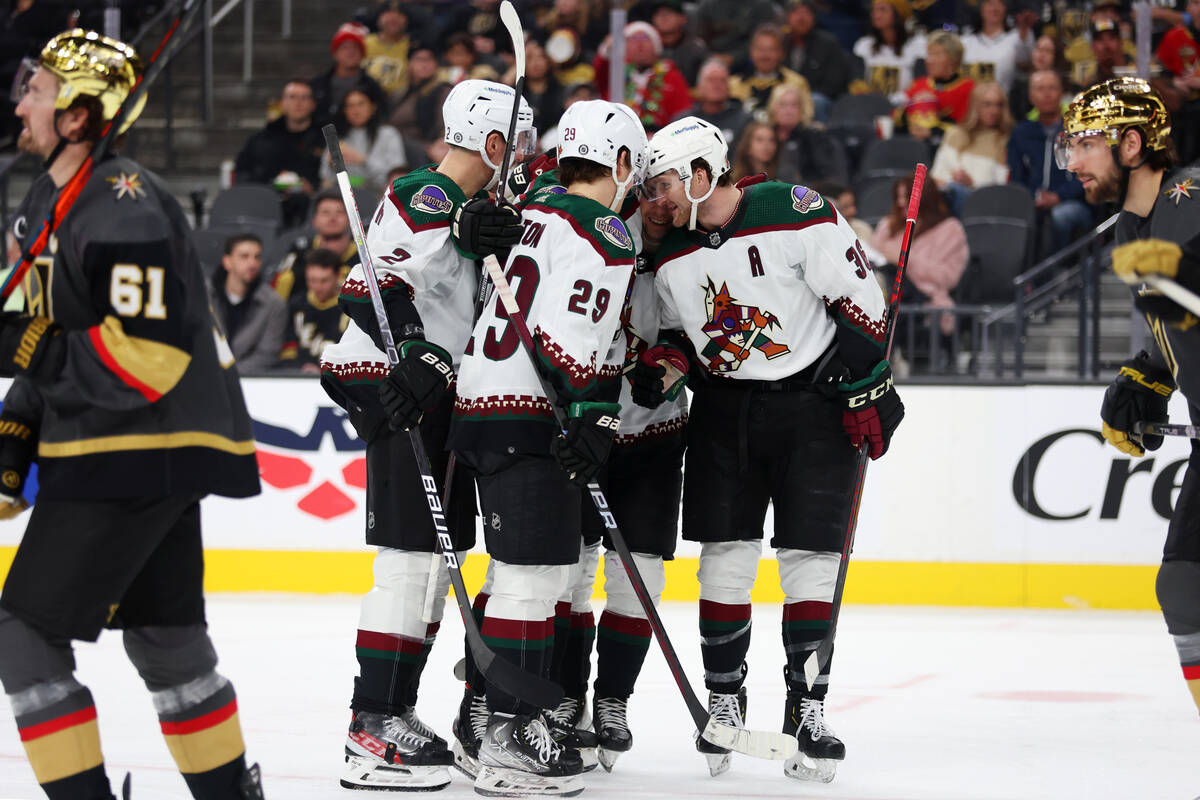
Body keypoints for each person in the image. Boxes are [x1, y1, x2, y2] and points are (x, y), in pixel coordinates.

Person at [0, 28, 264, 799]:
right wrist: (16, 435)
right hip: (141, 449)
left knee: (21, 632)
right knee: (166, 639)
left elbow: (143, 358)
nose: (22, 101)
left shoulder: (125, 201)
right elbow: (35, 345)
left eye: (39, 91)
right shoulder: (46, 202)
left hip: (135, 446)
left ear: (80, 117)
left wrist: (29, 348)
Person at [633, 116, 903, 783]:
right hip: (725, 410)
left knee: (811, 562)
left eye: (664, 183)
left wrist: (867, 383)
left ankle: (807, 708)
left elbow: (862, 306)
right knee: (723, 562)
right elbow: (674, 334)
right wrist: (659, 369)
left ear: (702, 174)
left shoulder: (792, 209)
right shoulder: (665, 249)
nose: (655, 199)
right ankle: (724, 700)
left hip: (812, 406)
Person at [319, 78, 534, 791]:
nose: (528, 155)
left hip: (435, 388)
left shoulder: (471, 208)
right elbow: (367, 286)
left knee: (436, 565)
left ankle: (396, 712)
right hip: (396, 381)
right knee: (411, 561)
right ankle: (371, 722)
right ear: (495, 142)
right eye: (521, 141)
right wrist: (413, 347)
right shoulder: (427, 193)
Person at [448, 99, 646, 797]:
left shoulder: (531, 211)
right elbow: (569, 340)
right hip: (530, 414)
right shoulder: (604, 228)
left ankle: (479, 723)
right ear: (621, 163)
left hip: (476, 405)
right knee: (534, 583)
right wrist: (596, 414)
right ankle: (509, 738)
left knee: (516, 577)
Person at [1058, 76, 1200, 719]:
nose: (1073, 162)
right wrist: (1149, 377)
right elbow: (1180, 325)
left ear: (1133, 144)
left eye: (1084, 143)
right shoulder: (1130, 232)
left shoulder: (1194, 200)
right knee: (1184, 587)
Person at [870, 175, 967, 340]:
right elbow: (873, 256)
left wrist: (907, 261)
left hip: (924, 304)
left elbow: (948, 277)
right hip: (884, 297)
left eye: (906, 197)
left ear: (925, 198)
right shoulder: (887, 225)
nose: (901, 202)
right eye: (898, 197)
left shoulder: (951, 230)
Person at [1007, 69, 1092, 254]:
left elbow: (1089, 175)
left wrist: (1058, 196)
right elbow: (1017, 177)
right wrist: (1031, 198)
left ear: (1061, 93)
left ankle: (1055, 276)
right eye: (1039, 89)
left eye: (1052, 88)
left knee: (1060, 217)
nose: (1046, 94)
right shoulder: (1021, 133)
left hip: (1073, 203)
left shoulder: (1079, 131)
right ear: (1031, 96)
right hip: (1032, 202)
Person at [233, 78, 325, 229]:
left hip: (311, 207)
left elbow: (334, 175)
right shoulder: (262, 138)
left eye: (304, 97)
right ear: (283, 103)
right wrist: (270, 187)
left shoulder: (325, 138)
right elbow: (242, 173)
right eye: (292, 97)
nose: (298, 103)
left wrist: (314, 188)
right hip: (265, 205)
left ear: (313, 104)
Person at [930, 80, 1014, 215]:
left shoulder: (1006, 140)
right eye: (987, 105)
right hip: (947, 196)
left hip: (983, 204)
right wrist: (953, 182)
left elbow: (1001, 187)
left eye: (998, 105)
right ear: (975, 106)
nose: (994, 111)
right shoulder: (955, 134)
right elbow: (937, 175)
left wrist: (971, 184)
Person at [209, 233, 287, 374]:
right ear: (227, 261)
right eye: (244, 256)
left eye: (257, 257)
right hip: (207, 375)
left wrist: (230, 375)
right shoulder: (206, 296)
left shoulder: (274, 304)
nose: (252, 264)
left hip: (250, 380)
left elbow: (267, 354)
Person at [593, 21, 692, 133]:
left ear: (656, 47)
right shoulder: (616, 75)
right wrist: (609, 47)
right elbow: (599, 71)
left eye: (645, 38)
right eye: (633, 39)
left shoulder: (672, 76)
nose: (639, 44)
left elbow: (683, 114)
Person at [318, 84, 406, 198]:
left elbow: (398, 178)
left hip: (380, 196)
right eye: (350, 106)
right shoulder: (338, 137)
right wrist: (331, 164)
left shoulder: (389, 135)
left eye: (361, 104)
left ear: (373, 107)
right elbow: (325, 178)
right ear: (344, 111)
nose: (356, 110)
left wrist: (363, 160)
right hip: (344, 198)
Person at [272, 187, 357, 303]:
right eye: (325, 212)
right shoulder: (300, 253)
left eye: (339, 212)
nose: (332, 218)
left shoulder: (362, 257)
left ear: (349, 219)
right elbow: (279, 296)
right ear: (314, 220)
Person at [897, 31, 976, 145]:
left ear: (953, 60)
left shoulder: (969, 89)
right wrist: (910, 110)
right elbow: (896, 121)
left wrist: (933, 131)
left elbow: (968, 130)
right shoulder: (919, 85)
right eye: (929, 54)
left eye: (937, 54)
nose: (929, 60)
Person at [280, 248, 349, 373]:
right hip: (298, 377)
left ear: (338, 275)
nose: (317, 287)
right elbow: (288, 350)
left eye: (324, 281)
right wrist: (299, 369)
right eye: (312, 280)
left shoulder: (350, 308)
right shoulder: (297, 305)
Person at [783, 0, 852, 123]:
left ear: (814, 18)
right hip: (784, 97)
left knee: (816, 101)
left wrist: (802, 98)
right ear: (788, 17)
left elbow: (834, 85)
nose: (801, 18)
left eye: (806, 13)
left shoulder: (828, 44)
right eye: (796, 13)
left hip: (817, 98)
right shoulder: (780, 43)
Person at [769, 83, 849, 186]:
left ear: (802, 110)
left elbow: (827, 174)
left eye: (794, 105)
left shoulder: (814, 136)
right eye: (783, 105)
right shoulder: (763, 135)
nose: (788, 111)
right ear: (773, 108)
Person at [388, 42, 452, 166]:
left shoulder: (442, 91)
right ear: (409, 63)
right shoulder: (399, 94)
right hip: (394, 146)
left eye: (429, 60)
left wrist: (441, 143)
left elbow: (447, 125)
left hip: (424, 148)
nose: (424, 64)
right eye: (419, 59)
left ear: (436, 64)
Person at [729, 24, 812, 118]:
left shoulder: (797, 83)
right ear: (751, 52)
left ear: (782, 53)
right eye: (760, 49)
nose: (765, 55)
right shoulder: (732, 85)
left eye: (771, 50)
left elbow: (806, 118)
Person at [311, 22, 386, 124]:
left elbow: (381, 118)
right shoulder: (318, 84)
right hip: (326, 136)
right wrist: (332, 140)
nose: (351, 52)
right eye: (345, 47)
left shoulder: (373, 86)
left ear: (362, 55)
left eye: (356, 48)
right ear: (335, 54)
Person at [672, 58, 752, 153]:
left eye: (722, 80)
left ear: (729, 88)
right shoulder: (682, 122)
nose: (717, 85)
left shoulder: (745, 121)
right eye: (711, 80)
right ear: (699, 87)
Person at [852, 0, 925, 103]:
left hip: (905, 106)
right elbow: (857, 80)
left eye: (883, 10)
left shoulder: (918, 45)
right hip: (869, 106)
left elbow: (921, 83)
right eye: (874, 10)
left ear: (899, 13)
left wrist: (894, 100)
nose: (876, 15)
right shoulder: (864, 45)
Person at [962, 0, 1024, 93]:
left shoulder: (1016, 37)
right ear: (981, 9)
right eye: (990, 4)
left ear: (1005, 9)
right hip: (969, 100)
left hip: (1003, 99)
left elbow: (1026, 63)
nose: (995, 9)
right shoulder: (965, 41)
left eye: (1000, 4)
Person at [363, 1, 413, 100]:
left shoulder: (413, 45)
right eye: (388, 14)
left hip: (400, 100)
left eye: (399, 14)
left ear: (406, 20)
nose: (393, 18)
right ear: (378, 18)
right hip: (366, 97)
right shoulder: (364, 43)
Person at [650, 0, 707, 85]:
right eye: (659, 13)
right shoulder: (648, 48)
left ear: (683, 19)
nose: (664, 17)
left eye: (669, 13)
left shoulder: (697, 48)